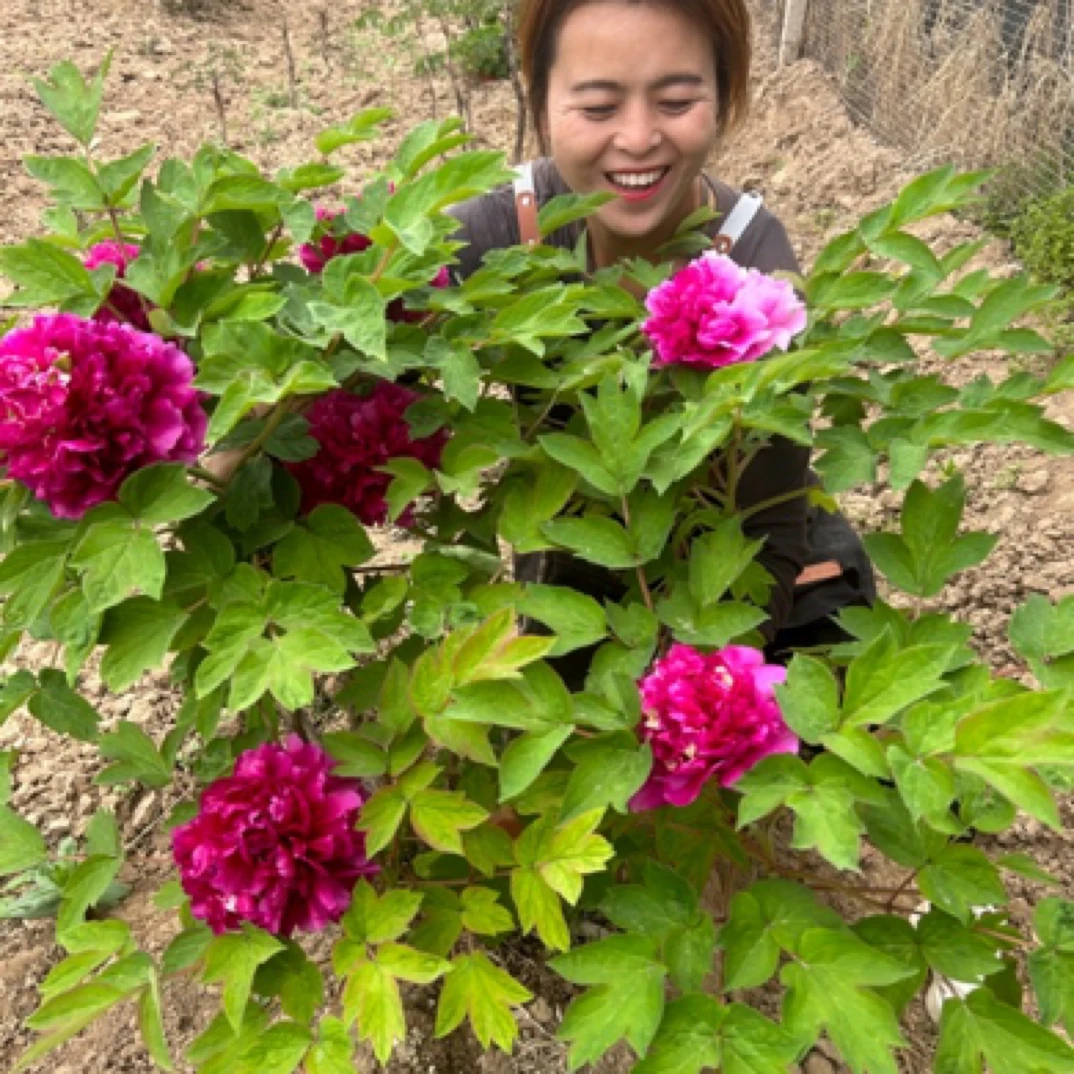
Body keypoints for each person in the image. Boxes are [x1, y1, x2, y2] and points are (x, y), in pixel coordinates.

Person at [449, 0, 873, 680]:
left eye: (676, 100)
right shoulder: (502, 237)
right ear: (540, 97)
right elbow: (336, 343)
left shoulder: (754, 271)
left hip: (760, 590)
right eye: (597, 107)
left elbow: (770, 536)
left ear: (725, 94)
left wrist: (700, 702)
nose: (639, 138)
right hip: (581, 567)